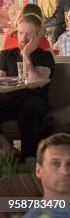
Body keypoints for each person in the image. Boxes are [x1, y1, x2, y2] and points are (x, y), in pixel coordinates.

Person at [0, 14, 54, 159]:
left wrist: (26, 55)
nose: (23, 38)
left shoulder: (45, 56)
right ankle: (8, 152)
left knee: (30, 111)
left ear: (38, 35)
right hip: (9, 98)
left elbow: (36, 82)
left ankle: (29, 163)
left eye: (28, 34)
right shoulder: (6, 55)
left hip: (34, 98)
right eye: (20, 33)